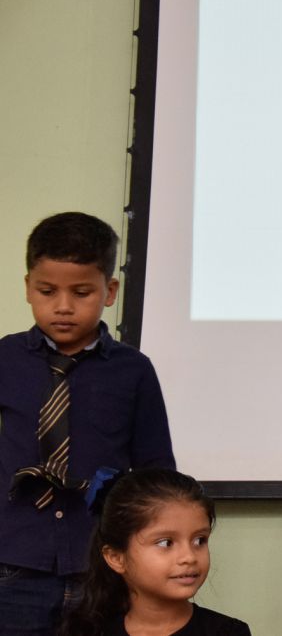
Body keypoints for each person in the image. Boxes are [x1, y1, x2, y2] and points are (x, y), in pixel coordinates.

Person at [0, 212, 175, 635]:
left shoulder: (133, 370)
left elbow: (155, 471)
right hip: (12, 562)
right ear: (28, 287)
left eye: (81, 292)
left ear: (109, 291)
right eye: (47, 291)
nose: (63, 306)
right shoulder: (5, 359)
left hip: (100, 566)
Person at [58, 468, 249, 636]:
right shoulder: (88, 631)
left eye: (199, 540)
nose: (189, 557)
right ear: (116, 558)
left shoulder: (227, 632)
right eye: (166, 543)